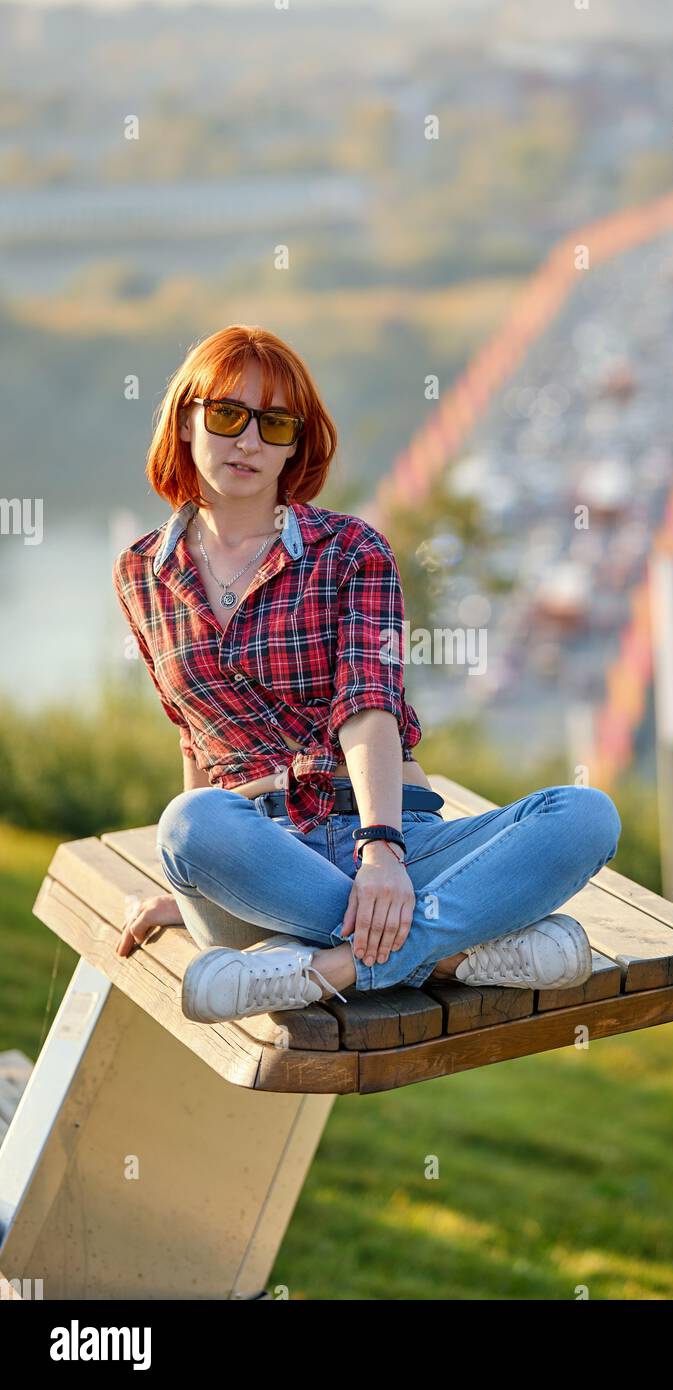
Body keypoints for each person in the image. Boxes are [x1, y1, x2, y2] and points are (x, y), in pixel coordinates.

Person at [112, 324, 622, 1024]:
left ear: (297, 443)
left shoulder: (352, 551)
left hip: (394, 839)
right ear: (185, 419)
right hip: (262, 862)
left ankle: (331, 967)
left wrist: (381, 846)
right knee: (189, 824)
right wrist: (191, 884)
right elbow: (195, 736)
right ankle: (447, 954)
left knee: (586, 816)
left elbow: (367, 705)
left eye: (275, 424)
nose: (249, 441)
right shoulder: (141, 574)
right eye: (228, 415)